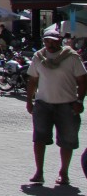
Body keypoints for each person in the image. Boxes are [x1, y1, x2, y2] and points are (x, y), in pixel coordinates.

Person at [25, 29, 87, 185]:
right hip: (43, 104)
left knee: (67, 140)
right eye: (47, 41)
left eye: (53, 41)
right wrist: (29, 100)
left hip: (67, 104)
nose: (50, 44)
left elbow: (82, 80)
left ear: (59, 41)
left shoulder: (72, 57)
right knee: (39, 138)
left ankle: (63, 173)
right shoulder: (38, 57)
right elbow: (32, 80)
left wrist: (80, 101)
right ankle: (39, 172)